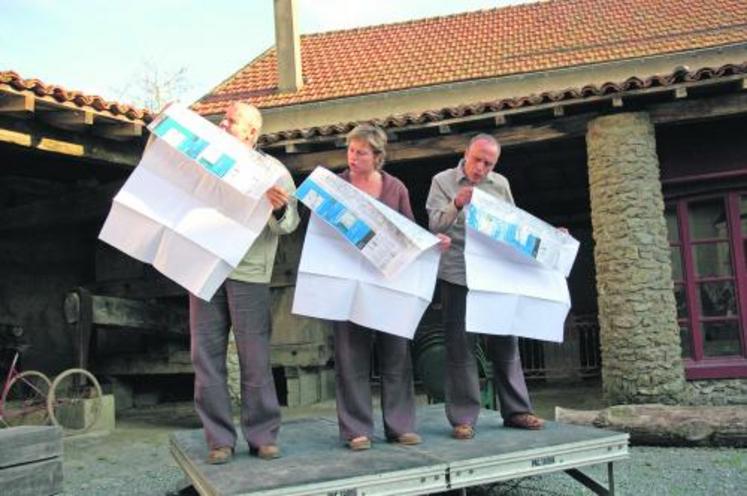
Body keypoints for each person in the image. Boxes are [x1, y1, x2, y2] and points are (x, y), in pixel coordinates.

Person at [189, 102, 299, 464]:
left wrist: (278, 207)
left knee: (255, 357)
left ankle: (262, 435)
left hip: (249, 270)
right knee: (206, 357)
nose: (222, 123)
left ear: (251, 132)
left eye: (231, 120)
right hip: (205, 266)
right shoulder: (202, 161)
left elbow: (290, 223)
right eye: (222, 118)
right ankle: (219, 440)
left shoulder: (274, 171)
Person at [334, 124, 449, 451]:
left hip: (389, 282)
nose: (353, 158)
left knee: (396, 354)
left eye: (361, 152)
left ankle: (400, 426)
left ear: (378, 156)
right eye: (350, 151)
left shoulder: (395, 188)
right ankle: (356, 430)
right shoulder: (336, 186)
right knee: (350, 355)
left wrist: (432, 243)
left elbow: (409, 233)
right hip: (349, 283)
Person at [426, 134, 544, 440]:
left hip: (495, 274)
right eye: (477, 159)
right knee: (460, 347)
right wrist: (456, 203)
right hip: (457, 273)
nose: (481, 168)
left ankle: (517, 410)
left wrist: (549, 238)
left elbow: (516, 226)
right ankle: (464, 418)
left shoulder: (500, 185)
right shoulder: (442, 181)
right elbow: (435, 226)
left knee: (506, 342)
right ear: (466, 153)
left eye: (488, 163)